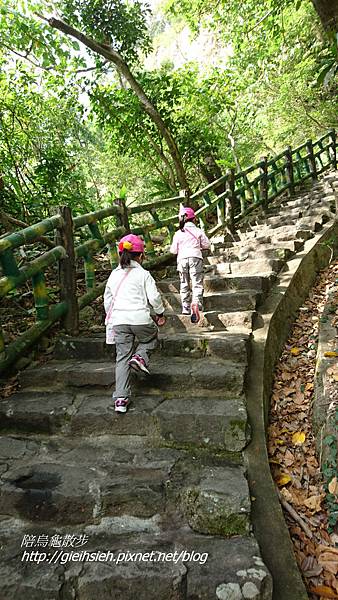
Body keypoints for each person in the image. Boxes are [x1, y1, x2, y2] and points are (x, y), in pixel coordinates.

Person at [104, 234, 165, 414]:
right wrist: (160, 313)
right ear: (141, 255)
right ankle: (140, 357)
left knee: (122, 357)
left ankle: (121, 399)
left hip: (119, 321)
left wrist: (113, 316)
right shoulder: (143, 274)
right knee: (151, 337)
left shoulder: (114, 275)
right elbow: (154, 297)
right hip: (140, 319)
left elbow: (107, 300)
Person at [170, 205, 210, 323]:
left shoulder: (178, 233)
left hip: (182, 259)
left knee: (184, 283)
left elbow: (173, 251)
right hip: (196, 257)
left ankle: (186, 307)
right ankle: (196, 303)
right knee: (197, 283)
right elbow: (207, 245)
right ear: (194, 219)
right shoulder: (198, 231)